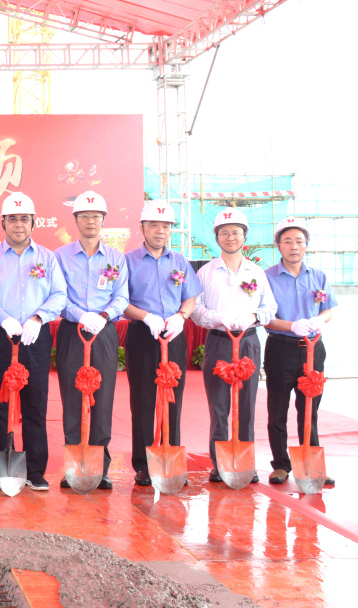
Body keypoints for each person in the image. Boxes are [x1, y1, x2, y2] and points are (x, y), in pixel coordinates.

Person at [0, 192, 67, 491]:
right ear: (2, 222)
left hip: (35, 337)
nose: (18, 224)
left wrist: (38, 318)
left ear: (33, 222)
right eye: (12, 219)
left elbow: (59, 294)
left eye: (24, 219)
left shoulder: (47, 258)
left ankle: (35, 470)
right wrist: (4, 319)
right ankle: (2, 468)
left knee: (35, 405)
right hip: (0, 338)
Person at [192, 208, 277, 483]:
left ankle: (245, 462)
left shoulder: (256, 272)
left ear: (244, 237)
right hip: (218, 342)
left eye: (236, 232)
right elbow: (196, 309)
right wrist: (218, 318)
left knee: (247, 405)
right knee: (219, 406)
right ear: (217, 237)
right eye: (225, 232)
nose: (231, 237)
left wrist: (254, 316)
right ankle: (219, 464)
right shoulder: (205, 272)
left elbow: (270, 307)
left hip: (249, 342)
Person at [123, 200, 203, 487]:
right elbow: (120, 301)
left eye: (166, 226)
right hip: (142, 334)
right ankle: (144, 464)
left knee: (173, 398)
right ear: (142, 228)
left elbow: (190, 296)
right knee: (142, 400)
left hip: (174, 333)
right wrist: (145, 317)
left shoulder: (179, 261)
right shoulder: (127, 261)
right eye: (154, 225)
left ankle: (171, 458)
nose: (160, 231)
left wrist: (182, 316)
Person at [53, 191, 128, 490]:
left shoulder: (116, 258)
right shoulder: (60, 257)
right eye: (84, 216)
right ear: (75, 220)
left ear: (103, 220)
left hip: (104, 331)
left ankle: (100, 468)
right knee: (72, 398)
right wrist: (80, 314)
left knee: (103, 397)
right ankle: (74, 465)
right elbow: (57, 295)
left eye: (96, 216)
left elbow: (122, 296)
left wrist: (104, 315)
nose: (90, 221)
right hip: (73, 331)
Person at [263, 217, 336, 486]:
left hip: (313, 349)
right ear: (278, 245)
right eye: (288, 241)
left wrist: (320, 320)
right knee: (278, 408)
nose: (294, 246)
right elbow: (264, 318)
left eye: (299, 241)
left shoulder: (318, 276)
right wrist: (292, 325)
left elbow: (328, 310)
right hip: (281, 348)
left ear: (306, 245)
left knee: (309, 408)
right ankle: (281, 465)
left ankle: (311, 464)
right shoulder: (267, 277)